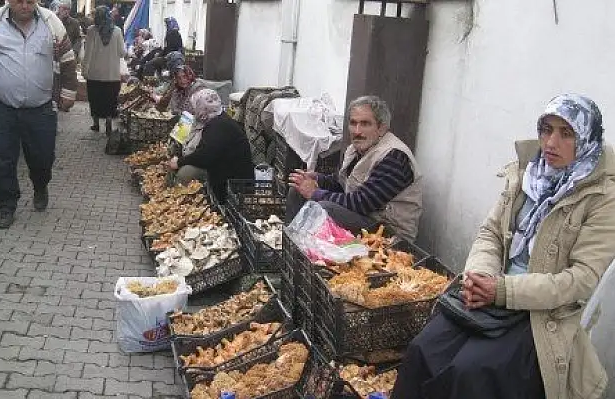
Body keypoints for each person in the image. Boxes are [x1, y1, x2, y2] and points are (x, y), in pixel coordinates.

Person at [392, 94, 615, 399]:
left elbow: (581, 279)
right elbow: (491, 234)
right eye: (546, 129)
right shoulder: (527, 175)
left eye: (566, 134)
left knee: (469, 373)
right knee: (421, 351)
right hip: (491, 295)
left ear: (586, 139)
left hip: (539, 313)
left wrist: (502, 290)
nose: (551, 142)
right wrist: (479, 276)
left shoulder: (602, 197)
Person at [0, 0, 78, 229]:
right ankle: (6, 205)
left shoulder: (51, 23)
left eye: (30, 1)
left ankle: (40, 184)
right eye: (19, 1)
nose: (25, 6)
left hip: (42, 108)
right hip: (0, 107)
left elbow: (67, 59)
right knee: (0, 159)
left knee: (42, 158)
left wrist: (68, 92)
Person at [285, 96, 422, 239]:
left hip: (388, 232)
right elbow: (342, 184)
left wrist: (315, 193)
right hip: (364, 218)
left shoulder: (394, 157)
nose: (357, 131)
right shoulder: (356, 150)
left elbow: (361, 202)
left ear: (381, 128)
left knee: (325, 208)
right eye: (353, 123)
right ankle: (290, 245)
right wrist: (317, 179)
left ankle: (301, 247)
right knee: (297, 190)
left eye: (365, 124)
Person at [167, 89, 254, 202]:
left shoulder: (218, 126)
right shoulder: (218, 120)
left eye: (195, 108)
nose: (194, 112)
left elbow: (205, 156)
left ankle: (182, 202)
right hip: (226, 172)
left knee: (186, 172)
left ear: (202, 109)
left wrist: (179, 162)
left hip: (234, 184)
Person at [81, 5, 124, 135]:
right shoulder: (117, 31)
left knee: (95, 99)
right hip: (112, 74)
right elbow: (122, 52)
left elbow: (87, 53)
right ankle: (109, 123)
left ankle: (95, 124)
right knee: (110, 99)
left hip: (95, 73)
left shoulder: (91, 31)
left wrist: (84, 70)